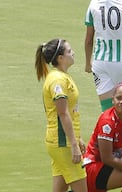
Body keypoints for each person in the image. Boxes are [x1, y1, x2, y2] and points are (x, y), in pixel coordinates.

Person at [35, 38, 87, 192]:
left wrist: (78, 138)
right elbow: (63, 114)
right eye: (69, 51)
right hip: (63, 143)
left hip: (62, 142)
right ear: (60, 58)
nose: (73, 53)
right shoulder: (57, 80)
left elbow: (70, 112)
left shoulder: (62, 76)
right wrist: (74, 145)